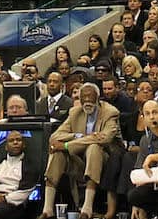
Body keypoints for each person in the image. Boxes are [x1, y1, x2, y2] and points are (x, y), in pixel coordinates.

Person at [41, 83, 120, 219]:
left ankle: (87, 208)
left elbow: (104, 139)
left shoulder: (110, 112)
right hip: (79, 160)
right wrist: (78, 136)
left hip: (105, 161)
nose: (87, 100)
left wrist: (67, 145)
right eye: (84, 97)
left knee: (94, 147)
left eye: (90, 97)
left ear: (98, 97)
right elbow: (54, 137)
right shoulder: (75, 112)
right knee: (56, 152)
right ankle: (47, 210)